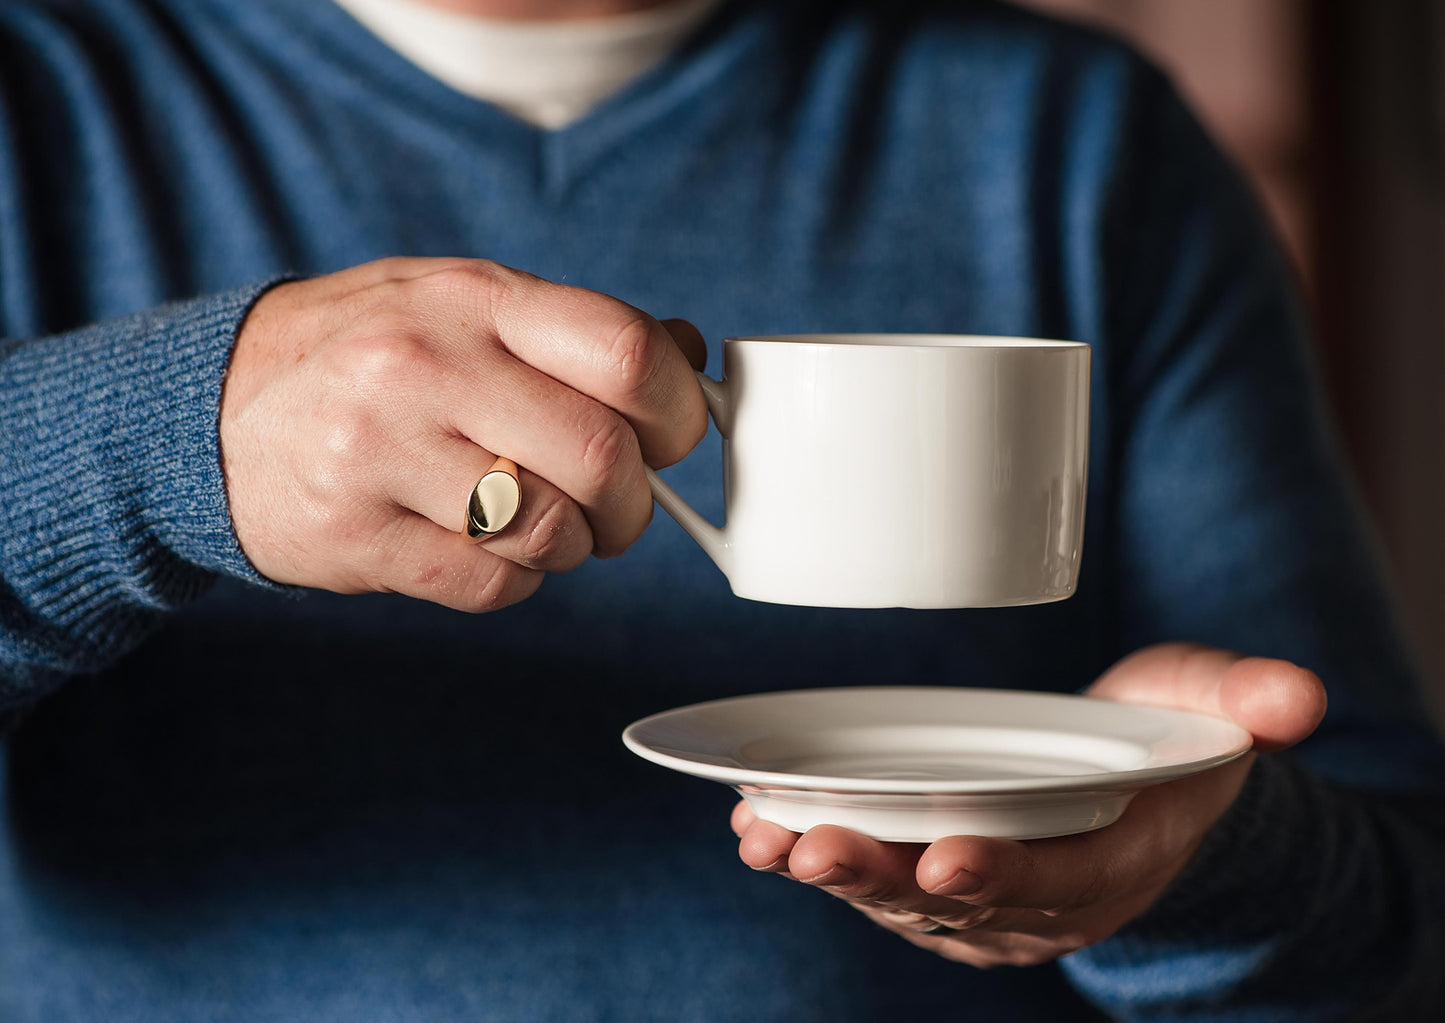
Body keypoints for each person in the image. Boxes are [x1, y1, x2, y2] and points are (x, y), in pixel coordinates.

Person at [0, 0, 1441, 1019]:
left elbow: (1401, 918)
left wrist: (1210, 862)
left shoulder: (1070, 135)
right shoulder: (40, 99)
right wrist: (160, 436)